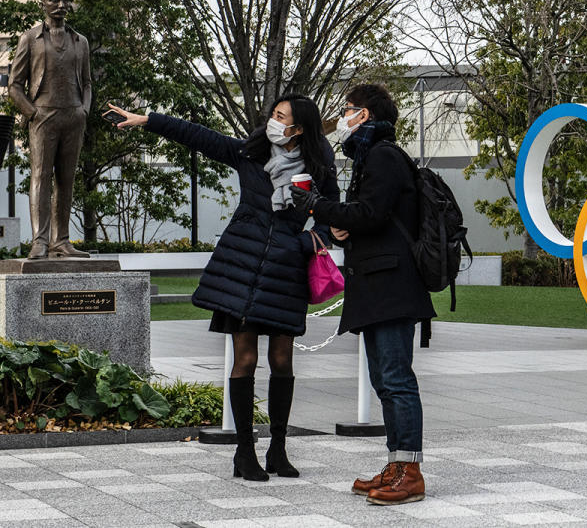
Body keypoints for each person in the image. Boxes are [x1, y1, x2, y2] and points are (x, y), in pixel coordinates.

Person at [107, 95, 339, 481]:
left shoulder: (319, 169)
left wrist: (302, 243)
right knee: (244, 358)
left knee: (282, 360)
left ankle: (278, 450)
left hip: (286, 272)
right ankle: (244, 452)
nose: (272, 121)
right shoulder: (251, 154)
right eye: (273, 114)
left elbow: (331, 218)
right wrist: (148, 119)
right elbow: (198, 136)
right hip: (241, 268)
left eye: (281, 117)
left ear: (299, 129)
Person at [291, 84, 435, 505]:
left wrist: (317, 204)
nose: (345, 116)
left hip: (391, 285)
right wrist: (342, 224)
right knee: (384, 381)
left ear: (366, 115)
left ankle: (410, 473)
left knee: (395, 380)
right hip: (378, 284)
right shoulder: (372, 157)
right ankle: (396, 464)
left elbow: (370, 214)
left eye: (349, 110)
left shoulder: (384, 156)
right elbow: (372, 216)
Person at [9, 0, 92, 259]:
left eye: (65, 0)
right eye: (55, 0)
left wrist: (84, 111)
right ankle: (40, 241)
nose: (61, 5)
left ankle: (62, 241)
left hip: (73, 117)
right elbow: (14, 86)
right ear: (43, 3)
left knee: (66, 180)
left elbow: (88, 83)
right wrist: (32, 113)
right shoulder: (30, 39)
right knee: (41, 177)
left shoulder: (81, 41)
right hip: (42, 116)